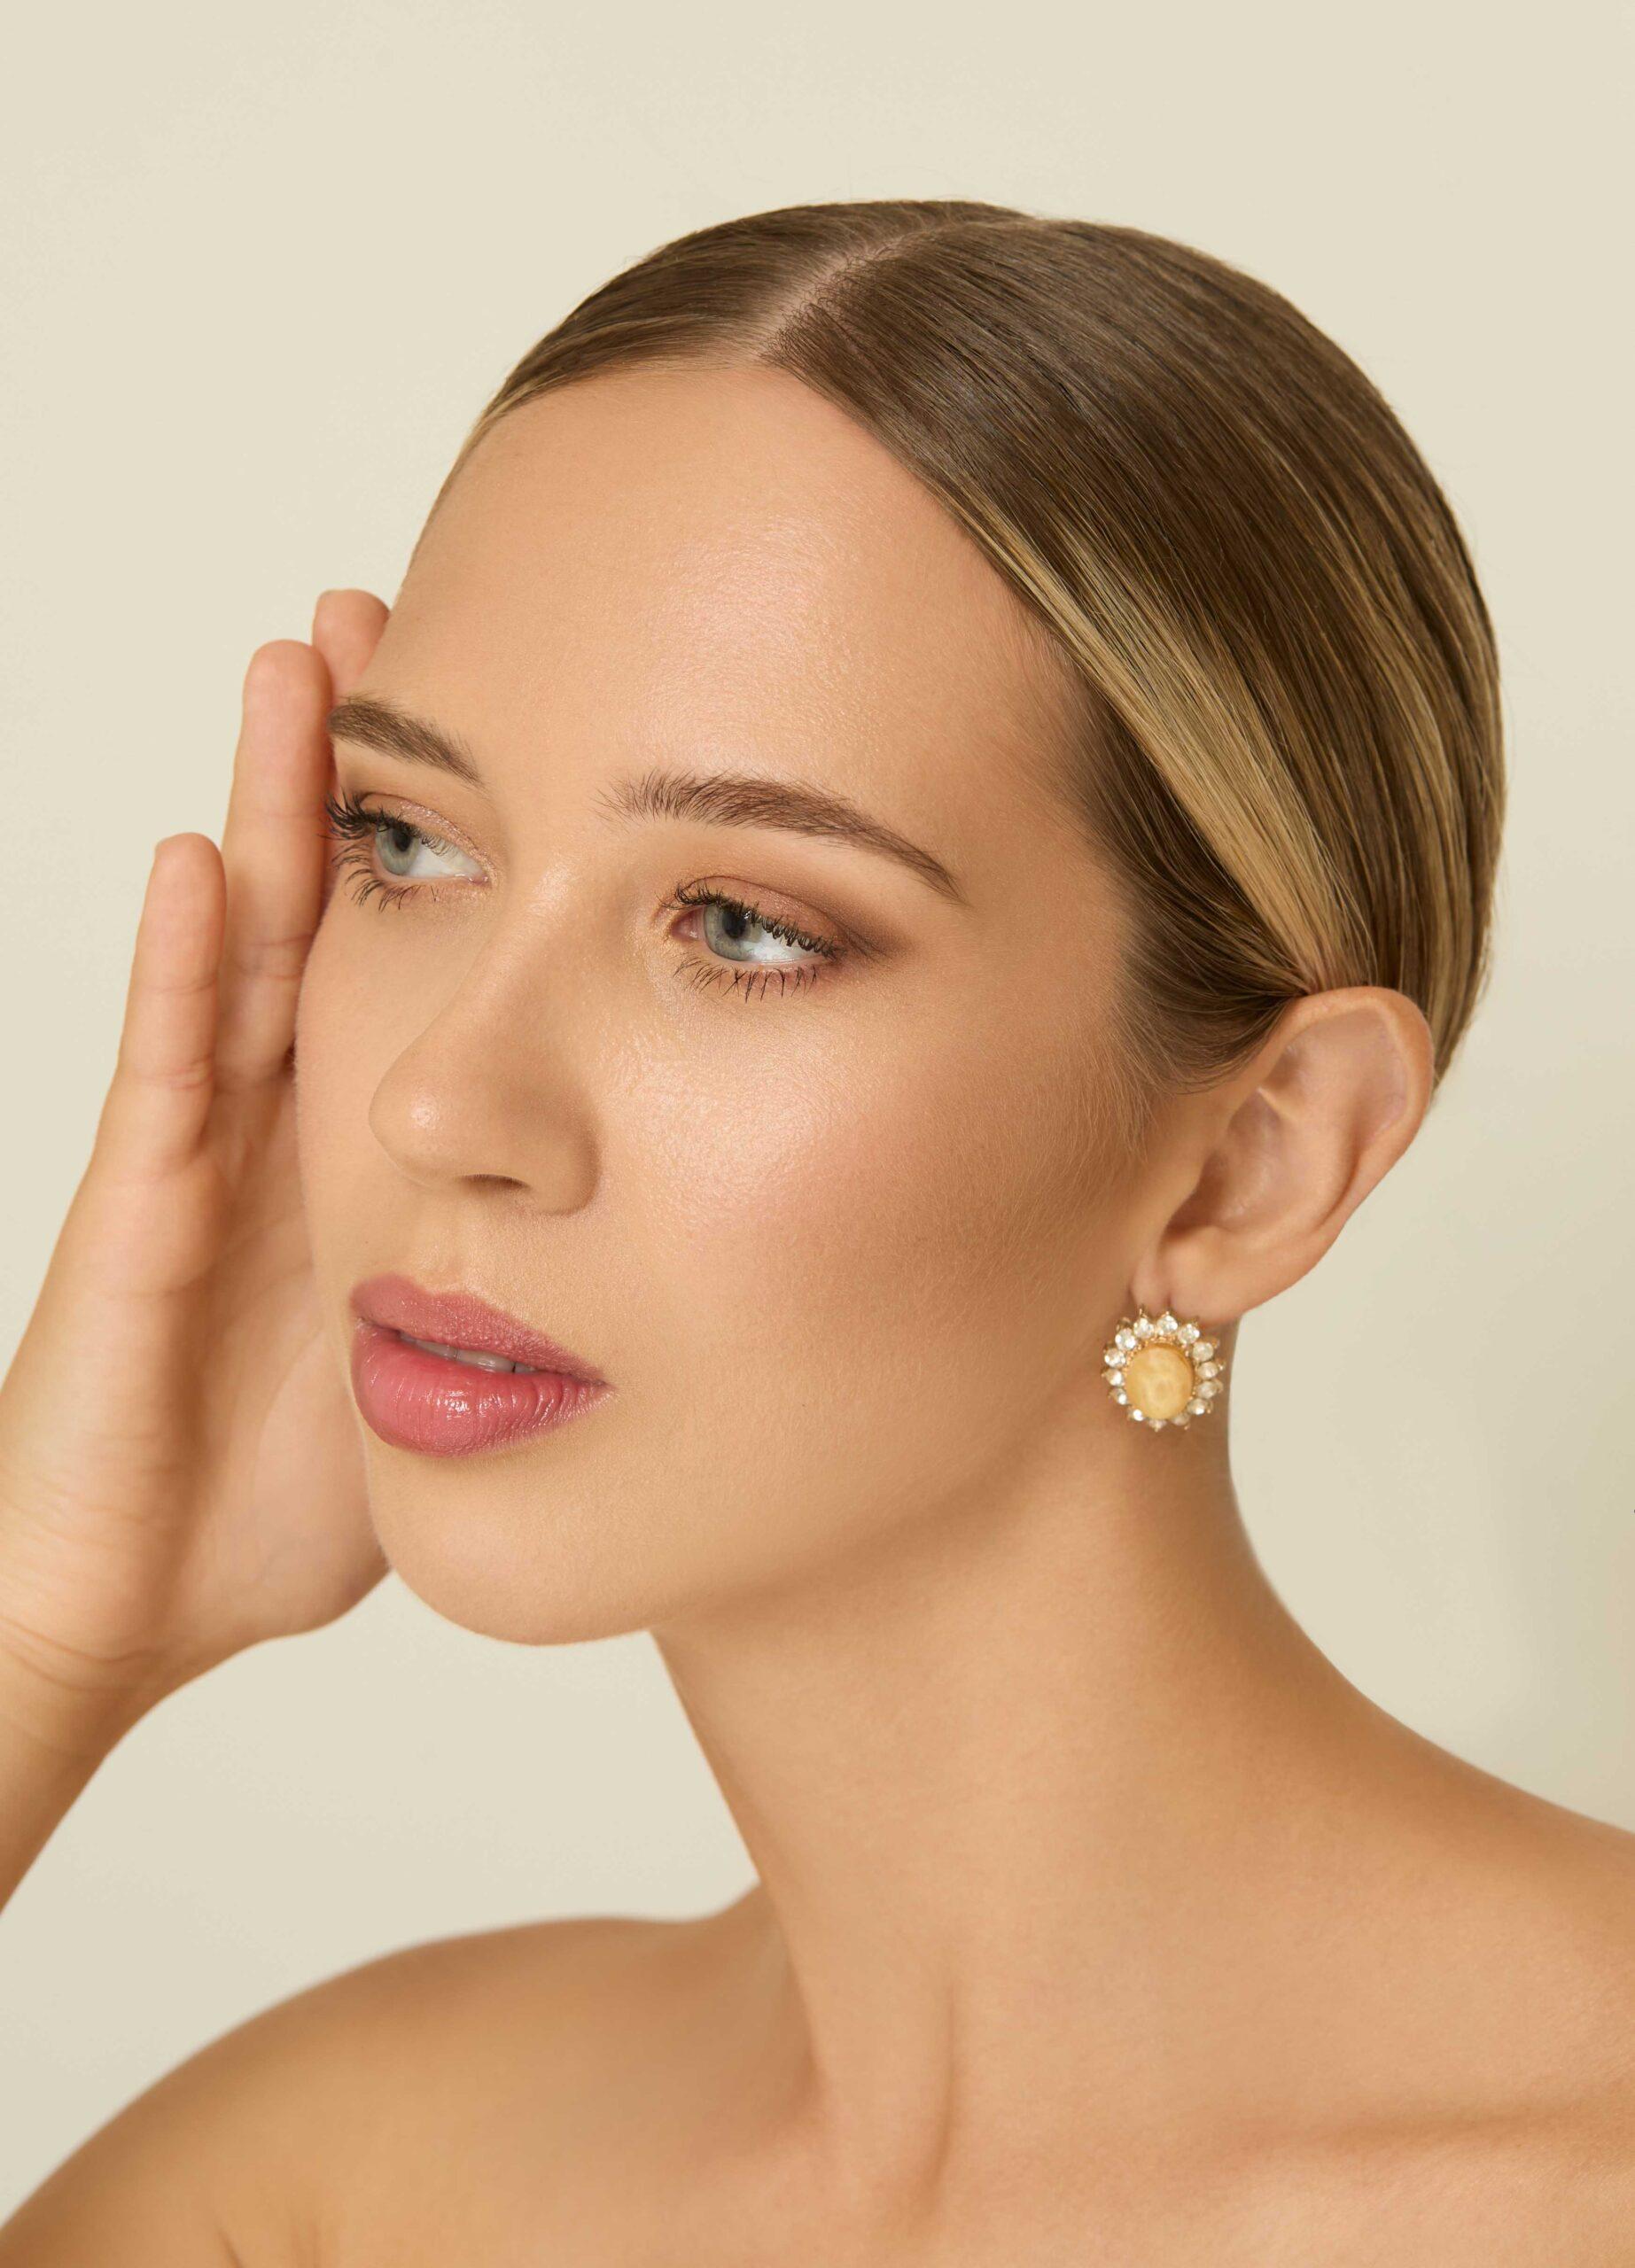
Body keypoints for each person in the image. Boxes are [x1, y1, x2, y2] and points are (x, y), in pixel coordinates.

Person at [2, 200, 1631, 2264]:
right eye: (407, 842)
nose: (435, 1104)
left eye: (746, 925)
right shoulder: (328, 2190)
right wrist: (45, 1611)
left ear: (1252, 1159)